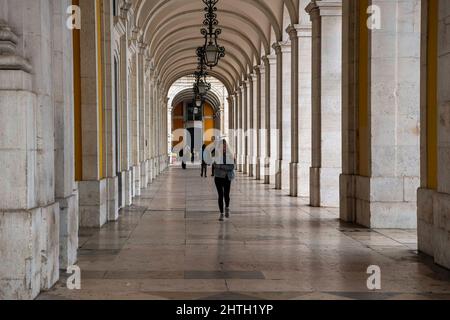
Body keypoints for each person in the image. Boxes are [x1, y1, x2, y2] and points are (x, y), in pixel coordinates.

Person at [213, 139, 235, 221]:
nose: (223, 147)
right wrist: (219, 166)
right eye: (222, 146)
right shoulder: (217, 155)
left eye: (224, 145)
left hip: (226, 178)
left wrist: (221, 167)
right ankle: (221, 213)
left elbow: (232, 167)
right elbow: (215, 165)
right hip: (218, 177)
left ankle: (227, 207)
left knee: (226, 195)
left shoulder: (230, 155)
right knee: (220, 195)